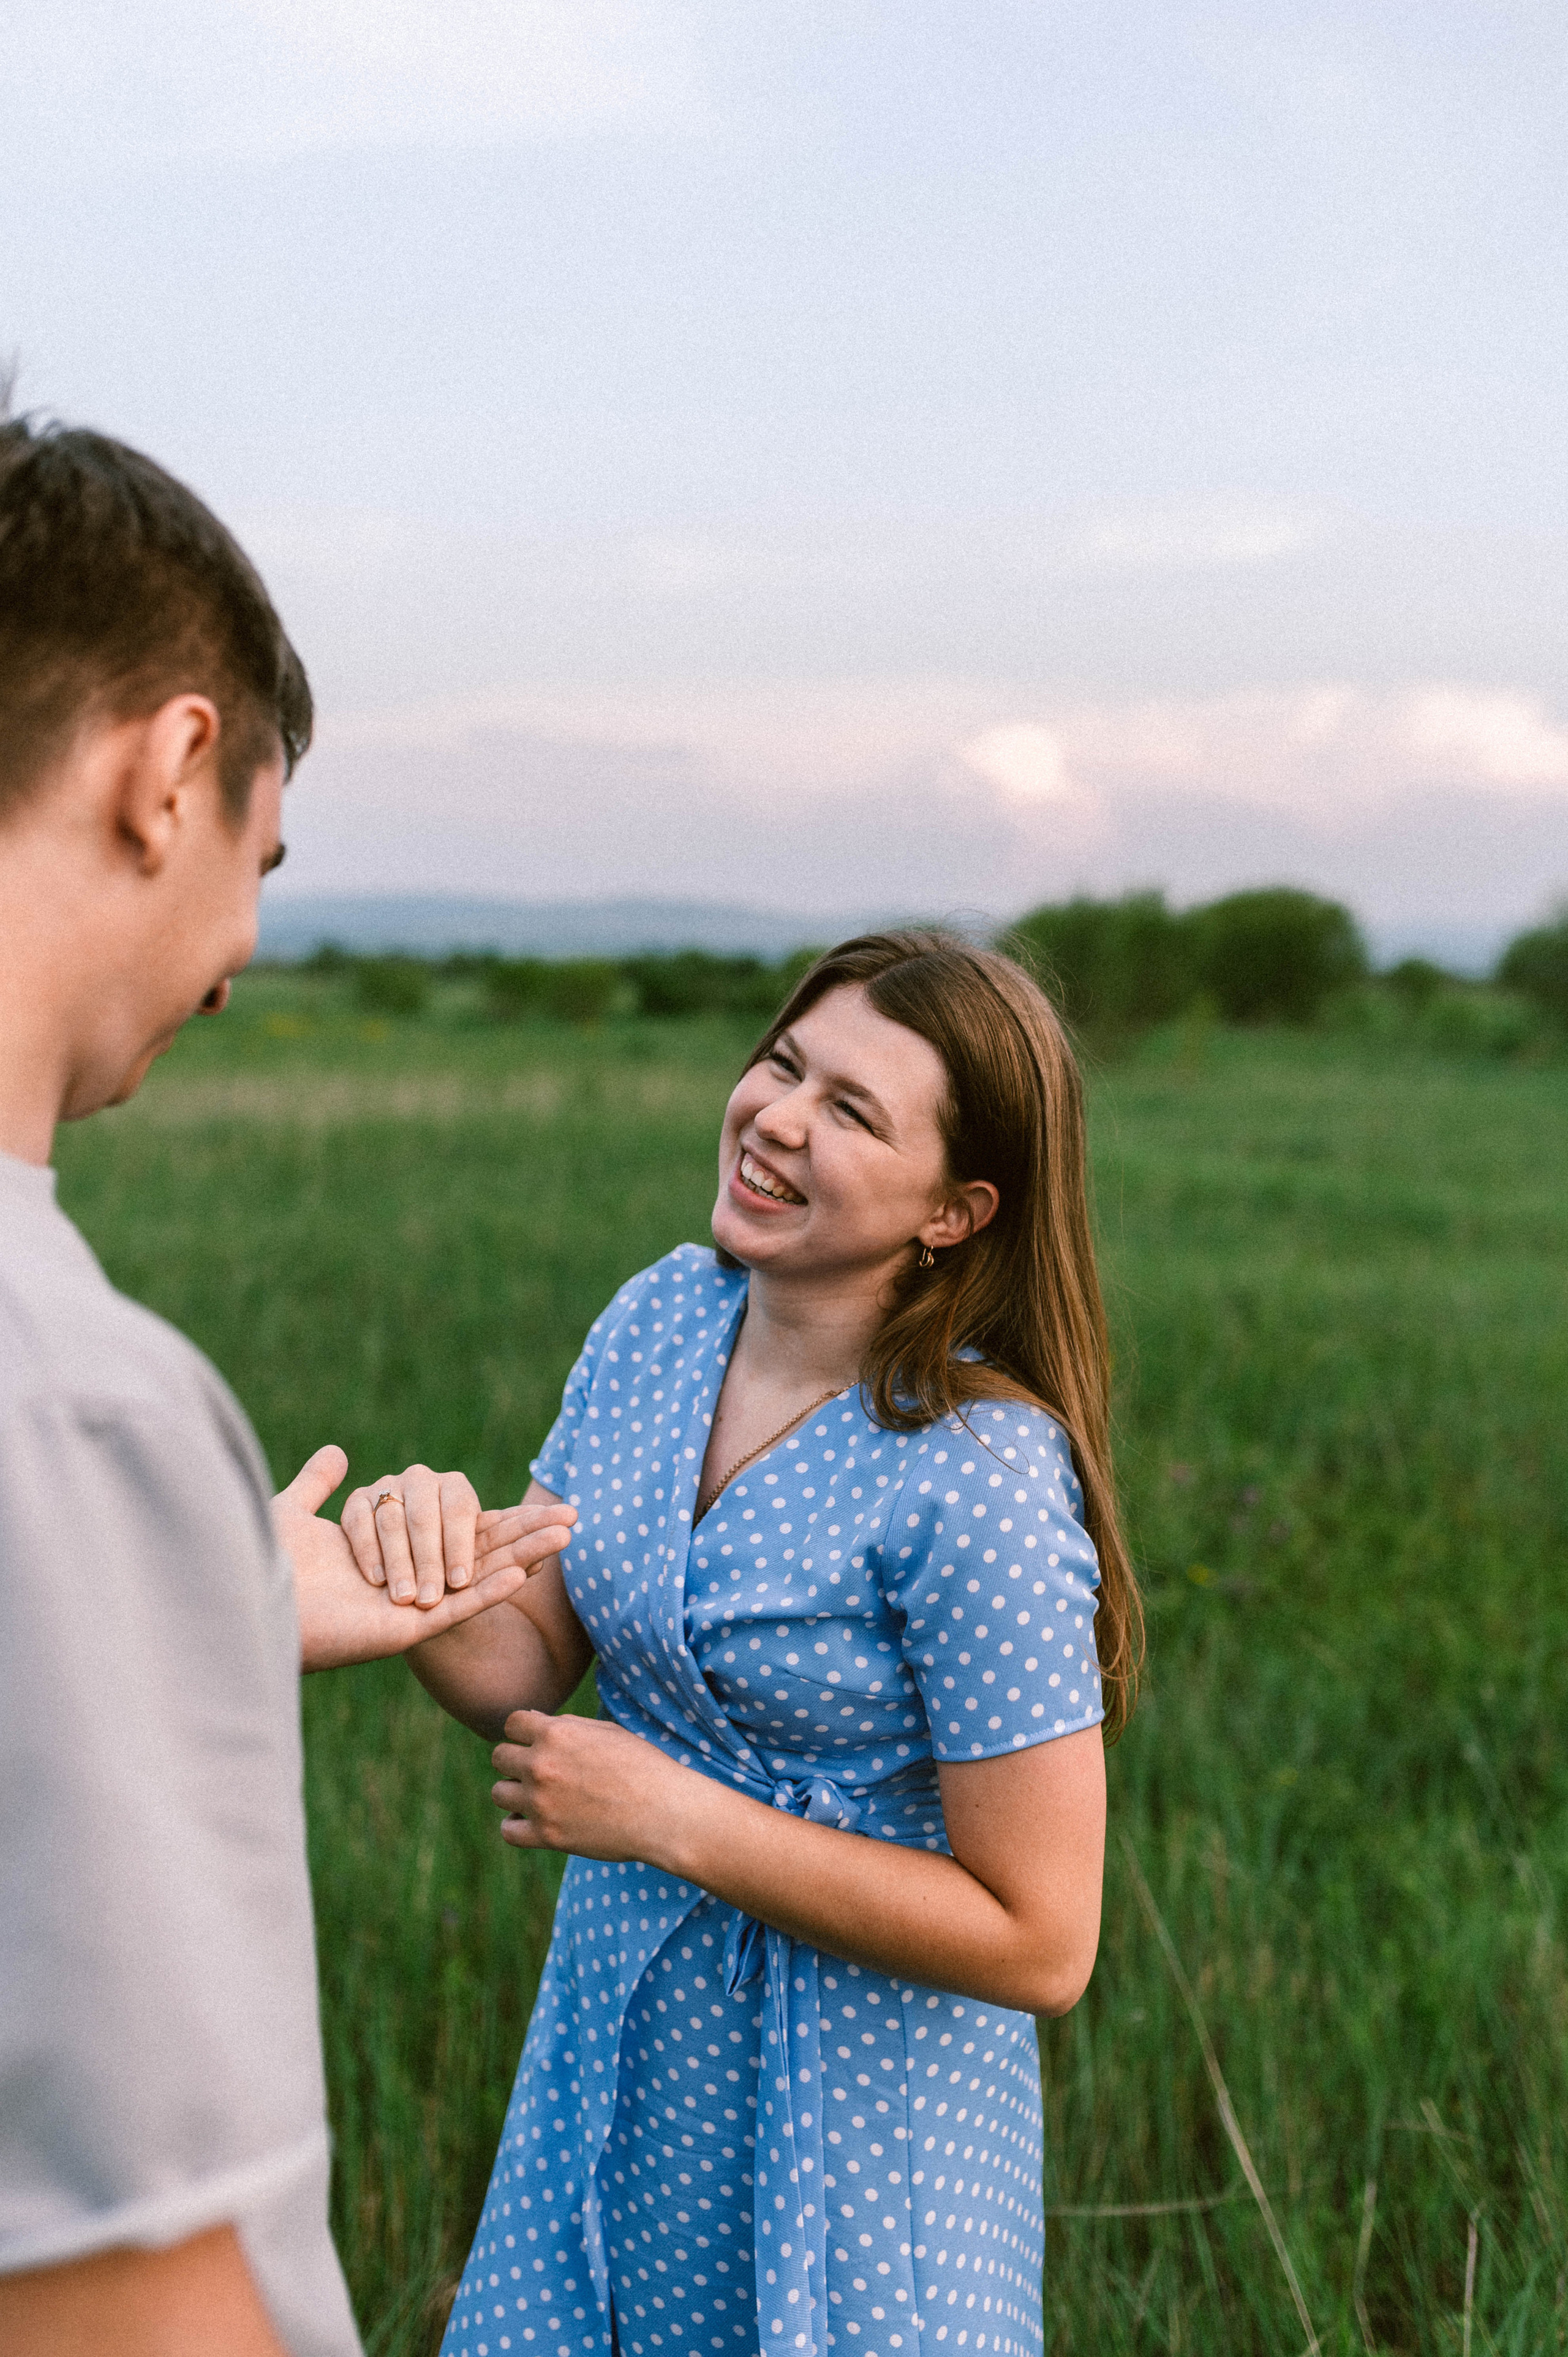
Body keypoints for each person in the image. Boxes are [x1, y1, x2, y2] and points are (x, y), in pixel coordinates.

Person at [336, 929, 1144, 2357]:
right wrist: (413, 1562)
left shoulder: (980, 1476)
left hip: (863, 2129)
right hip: (624, 2054)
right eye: (784, 1062)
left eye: (850, 1109)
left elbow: (1042, 1939)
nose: (776, 1116)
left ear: (954, 1210)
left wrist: (673, 1816)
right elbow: (524, 1656)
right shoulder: (661, 1319)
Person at [0, 413, 573, 2356]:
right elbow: (116, 2272)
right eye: (263, 852)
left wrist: (204, 1604)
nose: (240, 955)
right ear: (168, 775)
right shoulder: (75, 1407)